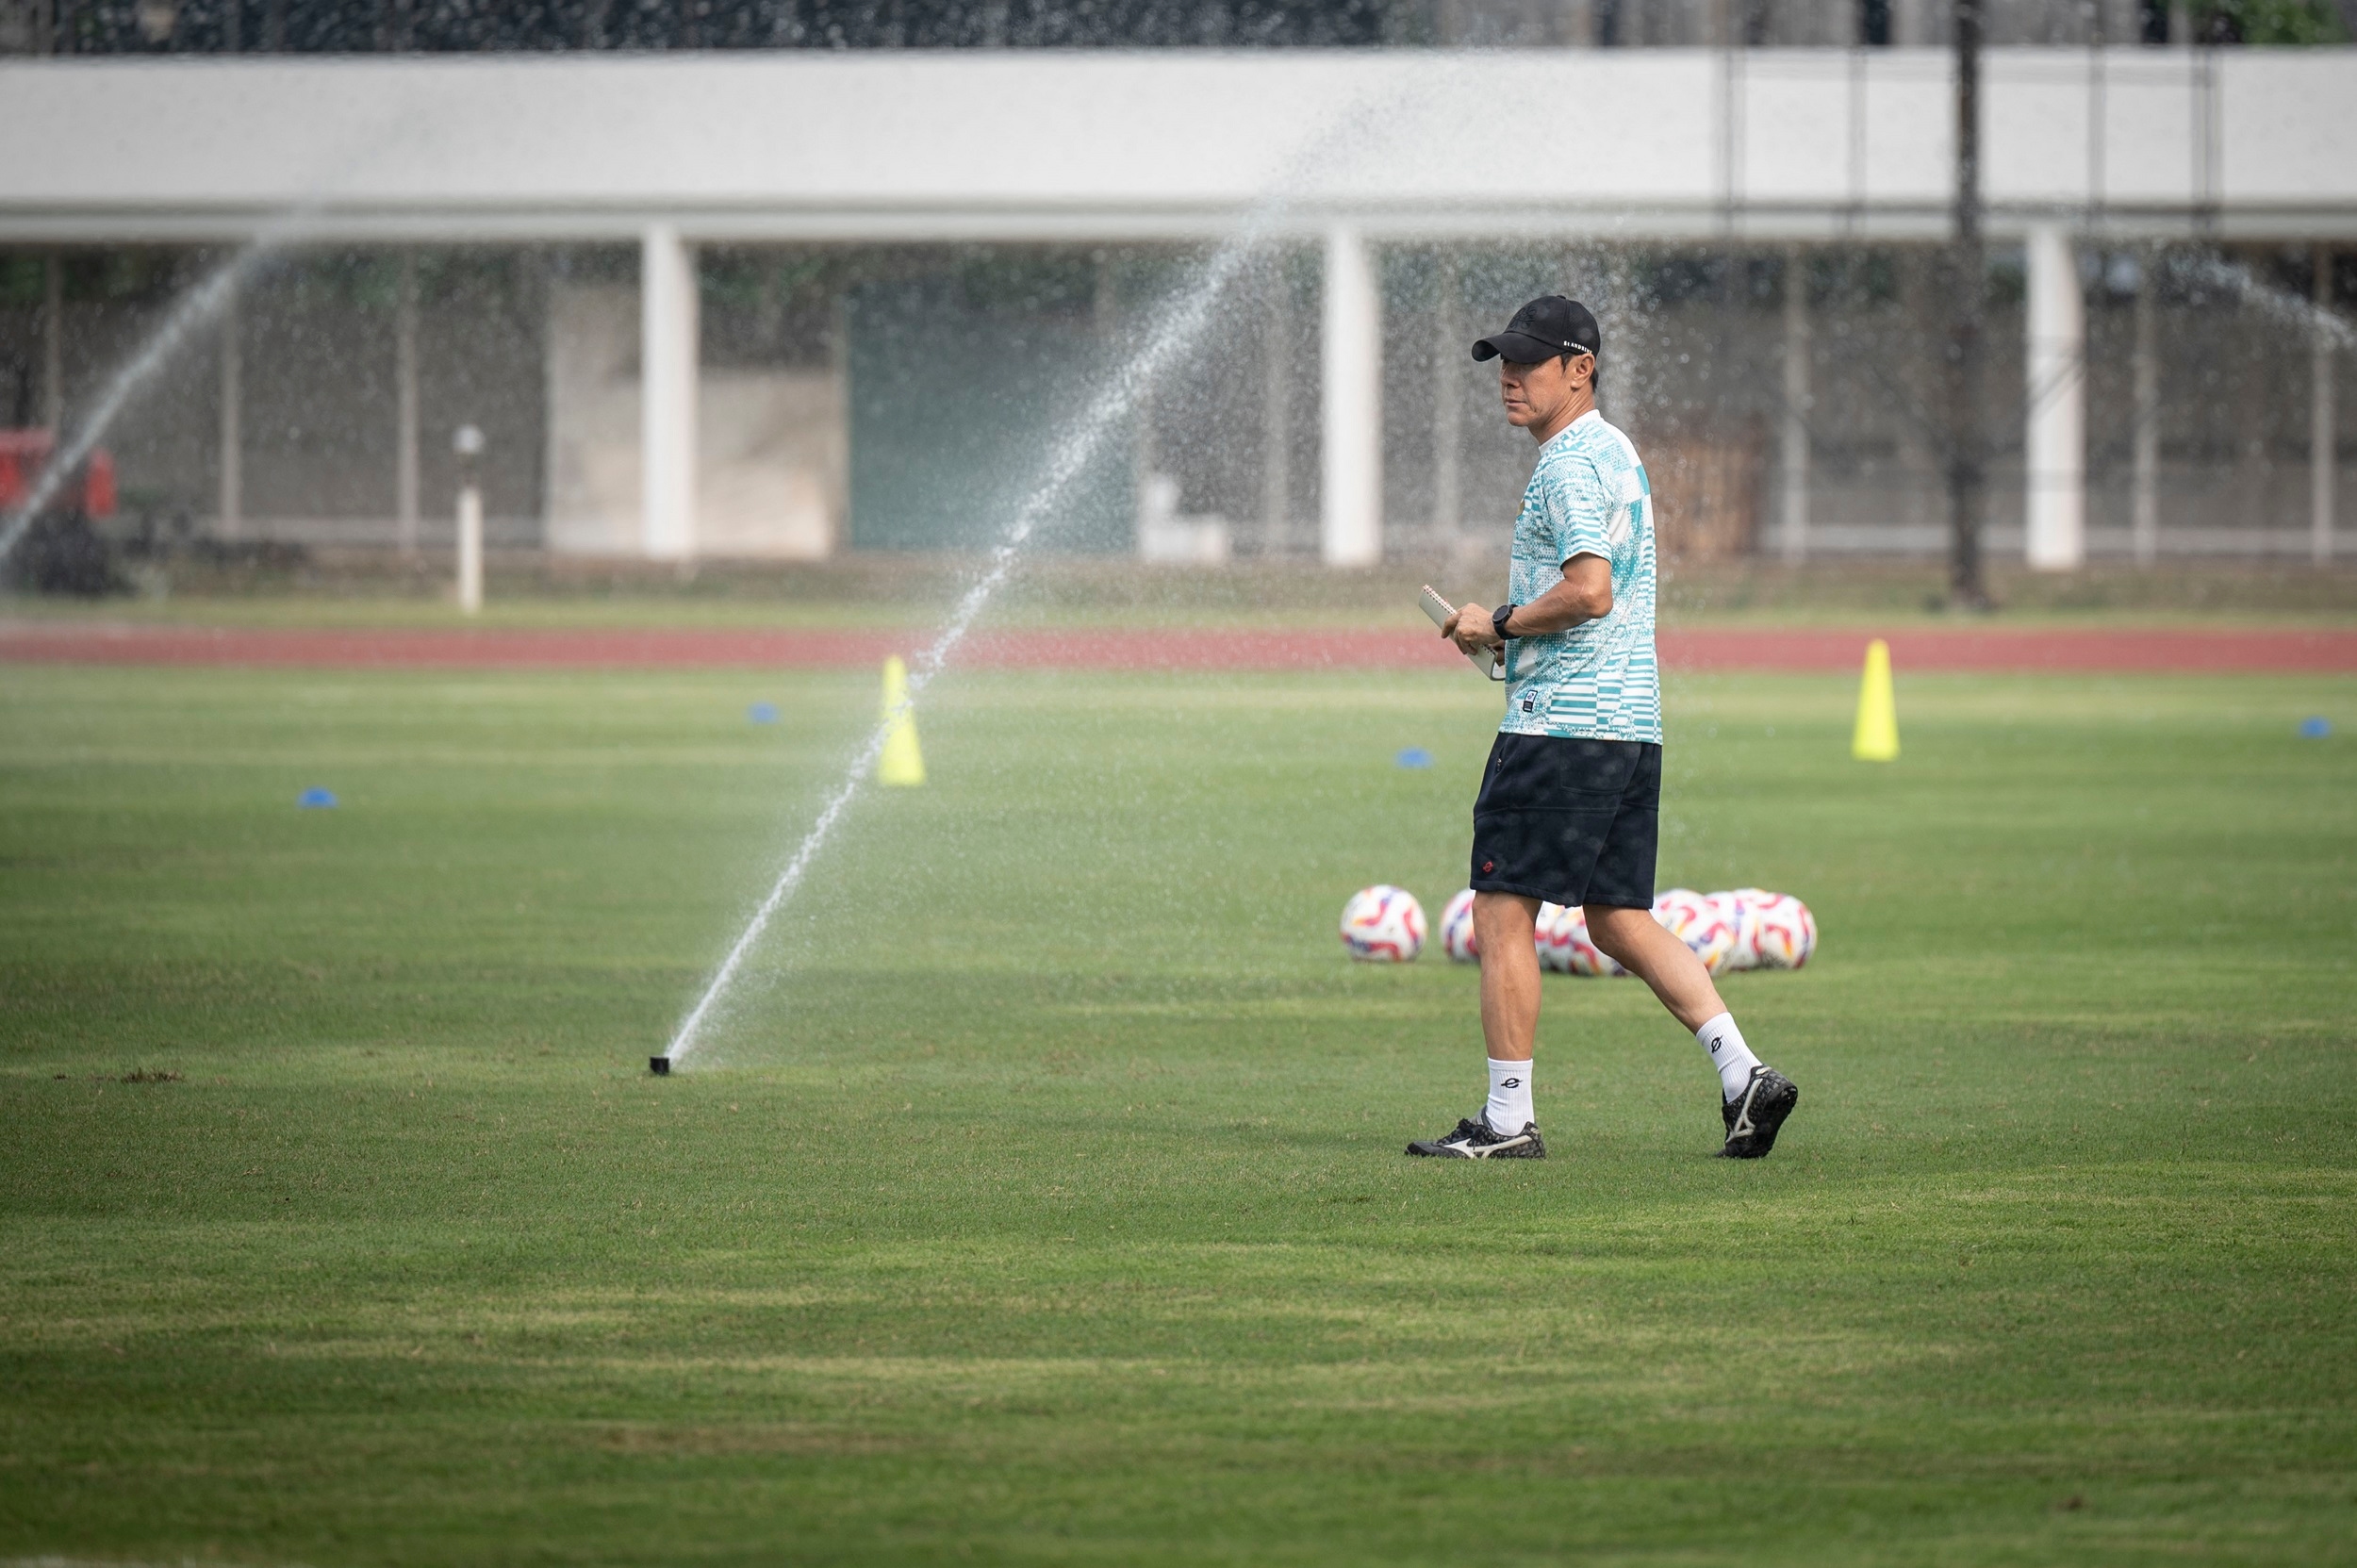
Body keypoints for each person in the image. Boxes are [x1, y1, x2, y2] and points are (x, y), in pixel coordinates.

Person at [1407, 295, 1800, 1162]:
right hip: (1630, 725)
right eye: (1504, 361)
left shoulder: (1566, 464)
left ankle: (1507, 1122)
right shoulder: (1617, 452)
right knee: (1616, 914)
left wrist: (1499, 622)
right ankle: (1744, 1073)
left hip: (1561, 731)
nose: (1510, 376)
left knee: (1502, 908)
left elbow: (1590, 590)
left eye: (1530, 361)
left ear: (1580, 369)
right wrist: (1501, 635)